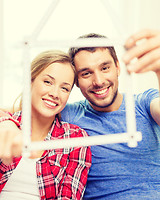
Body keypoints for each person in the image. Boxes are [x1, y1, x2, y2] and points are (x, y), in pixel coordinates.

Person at [1, 29, 160, 199]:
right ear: (76, 82)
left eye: (105, 68)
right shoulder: (67, 114)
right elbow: (24, 108)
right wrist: (5, 122)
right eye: (86, 73)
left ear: (118, 67)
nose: (98, 81)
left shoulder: (145, 102)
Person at [0, 50, 91, 199]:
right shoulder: (6, 126)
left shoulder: (76, 139)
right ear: (30, 82)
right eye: (48, 82)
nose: (55, 93)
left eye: (64, 88)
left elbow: (69, 196)